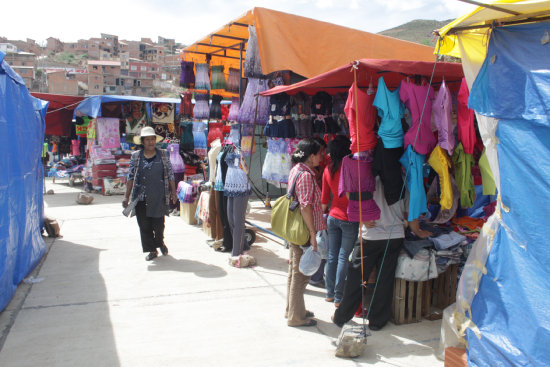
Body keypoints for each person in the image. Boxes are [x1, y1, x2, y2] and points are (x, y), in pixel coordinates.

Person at [332, 176, 431, 330]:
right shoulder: (403, 180)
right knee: (384, 279)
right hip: (394, 236)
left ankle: (342, 316)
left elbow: (350, 195)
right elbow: (410, 213)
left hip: (369, 236)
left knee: (356, 277)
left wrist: (361, 216)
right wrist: (417, 231)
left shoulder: (366, 176)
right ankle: (377, 322)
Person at [285, 138, 326, 327]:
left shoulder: (297, 170)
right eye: (319, 154)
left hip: (296, 229)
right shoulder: (306, 176)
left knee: (294, 272)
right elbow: (305, 206)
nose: (321, 157)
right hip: (303, 231)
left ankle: (293, 309)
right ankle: (296, 317)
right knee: (301, 276)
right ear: (311, 156)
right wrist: (312, 233)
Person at [123, 127, 177, 261]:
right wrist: (126, 196)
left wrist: (173, 193)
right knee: (144, 225)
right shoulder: (135, 156)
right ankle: (152, 250)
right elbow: (130, 177)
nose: (151, 142)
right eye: (147, 139)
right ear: (142, 141)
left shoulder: (163, 154)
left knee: (159, 225)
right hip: (141, 197)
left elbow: (170, 174)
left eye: (152, 139)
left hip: (159, 195)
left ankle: (160, 242)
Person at [321, 136, 359, 307]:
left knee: (332, 256)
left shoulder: (328, 169)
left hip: (332, 216)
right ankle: (338, 297)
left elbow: (324, 200)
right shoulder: (351, 168)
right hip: (349, 217)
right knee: (344, 257)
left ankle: (329, 293)